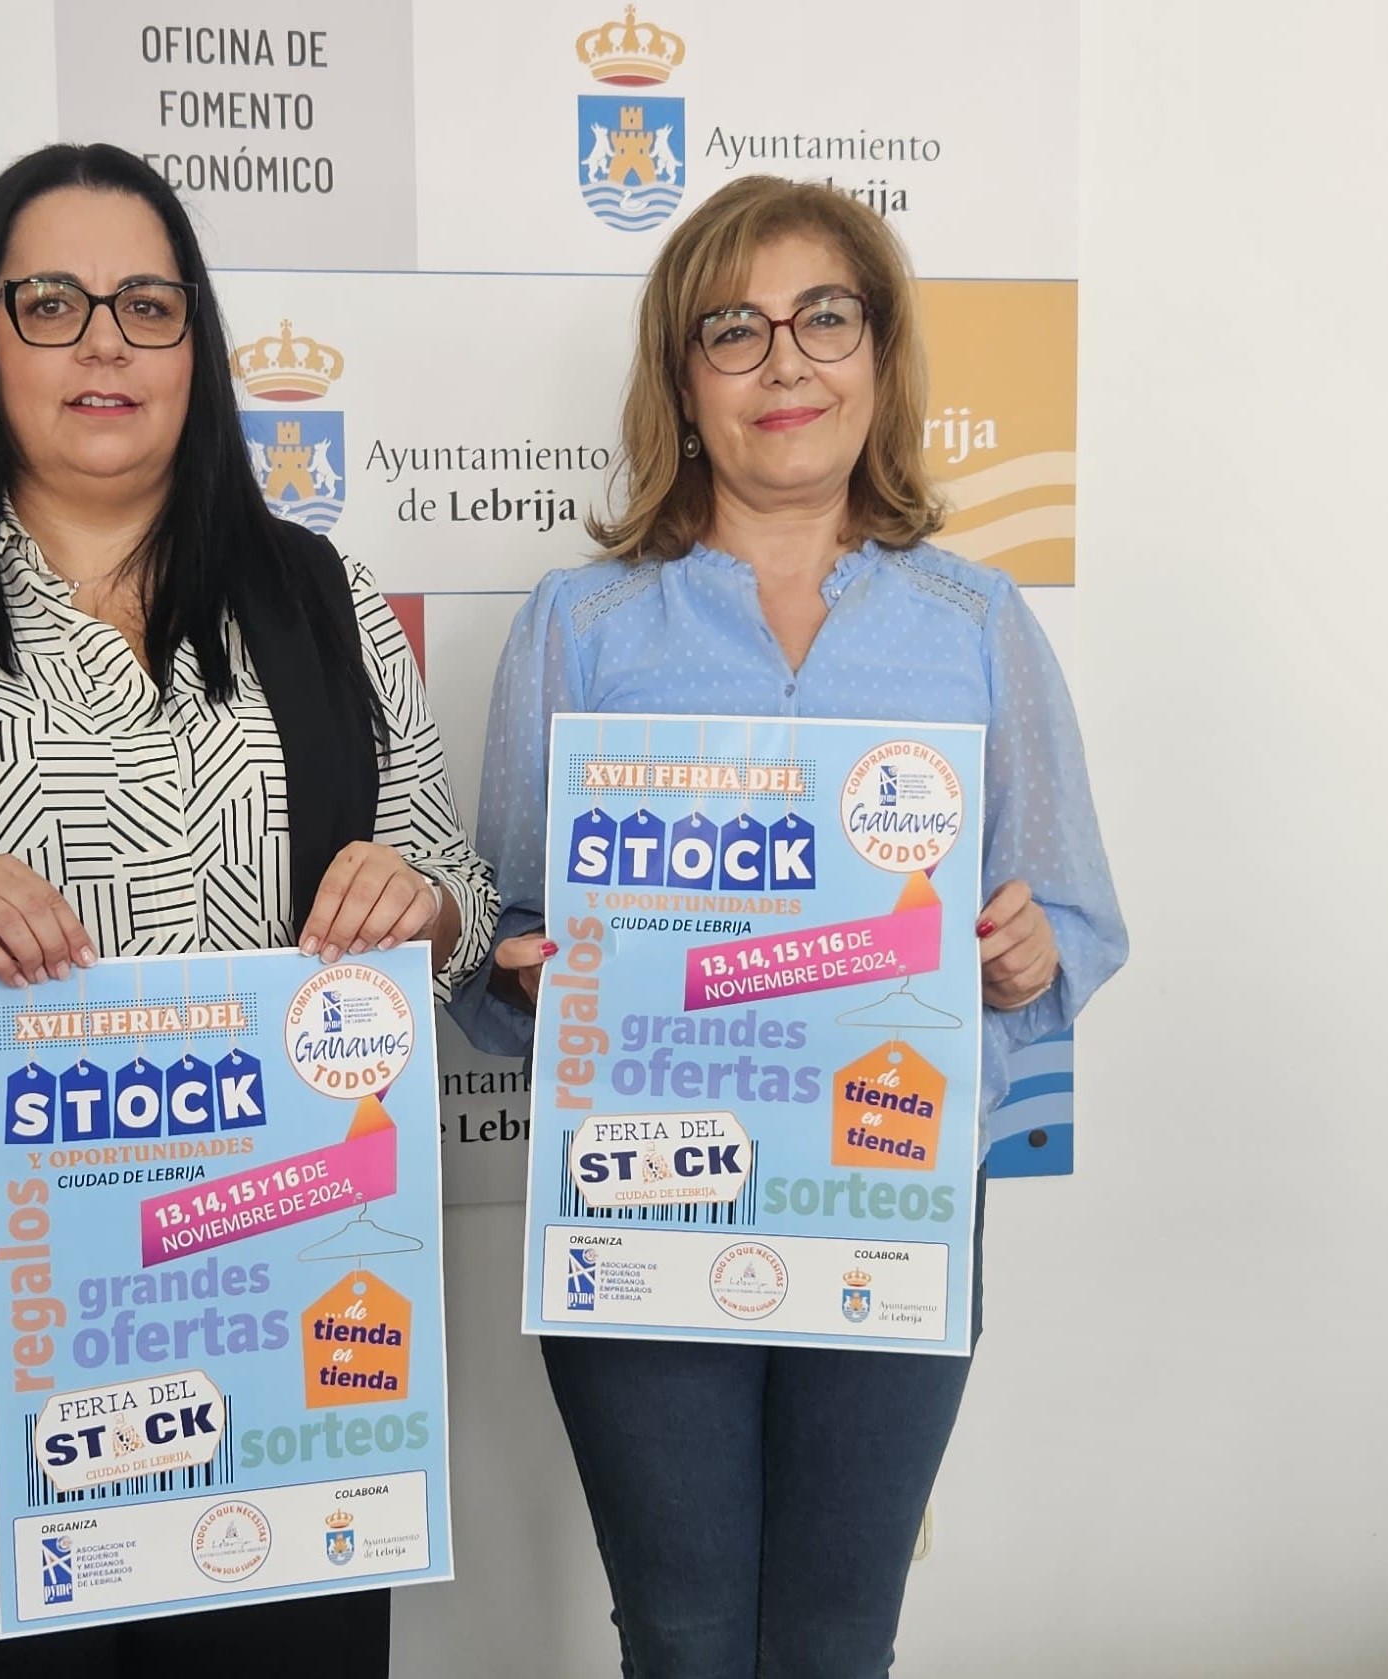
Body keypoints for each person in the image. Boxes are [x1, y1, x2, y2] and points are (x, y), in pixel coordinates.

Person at [0, 142, 497, 1676]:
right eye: (51, 303)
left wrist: (424, 905)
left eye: (146, 304)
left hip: (277, 1327)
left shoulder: (323, 601)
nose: (104, 344)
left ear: (195, 339)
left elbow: (447, 889)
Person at [450, 175, 1127, 1678]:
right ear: (682, 381)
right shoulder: (581, 625)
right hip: (641, 1195)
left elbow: (1074, 918)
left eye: (824, 317)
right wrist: (528, 973)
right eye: (733, 330)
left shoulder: (974, 625)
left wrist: (1029, 957)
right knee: (682, 1641)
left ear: (878, 355)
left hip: (890, 1184)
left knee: (835, 1642)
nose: (783, 363)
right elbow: (498, 941)